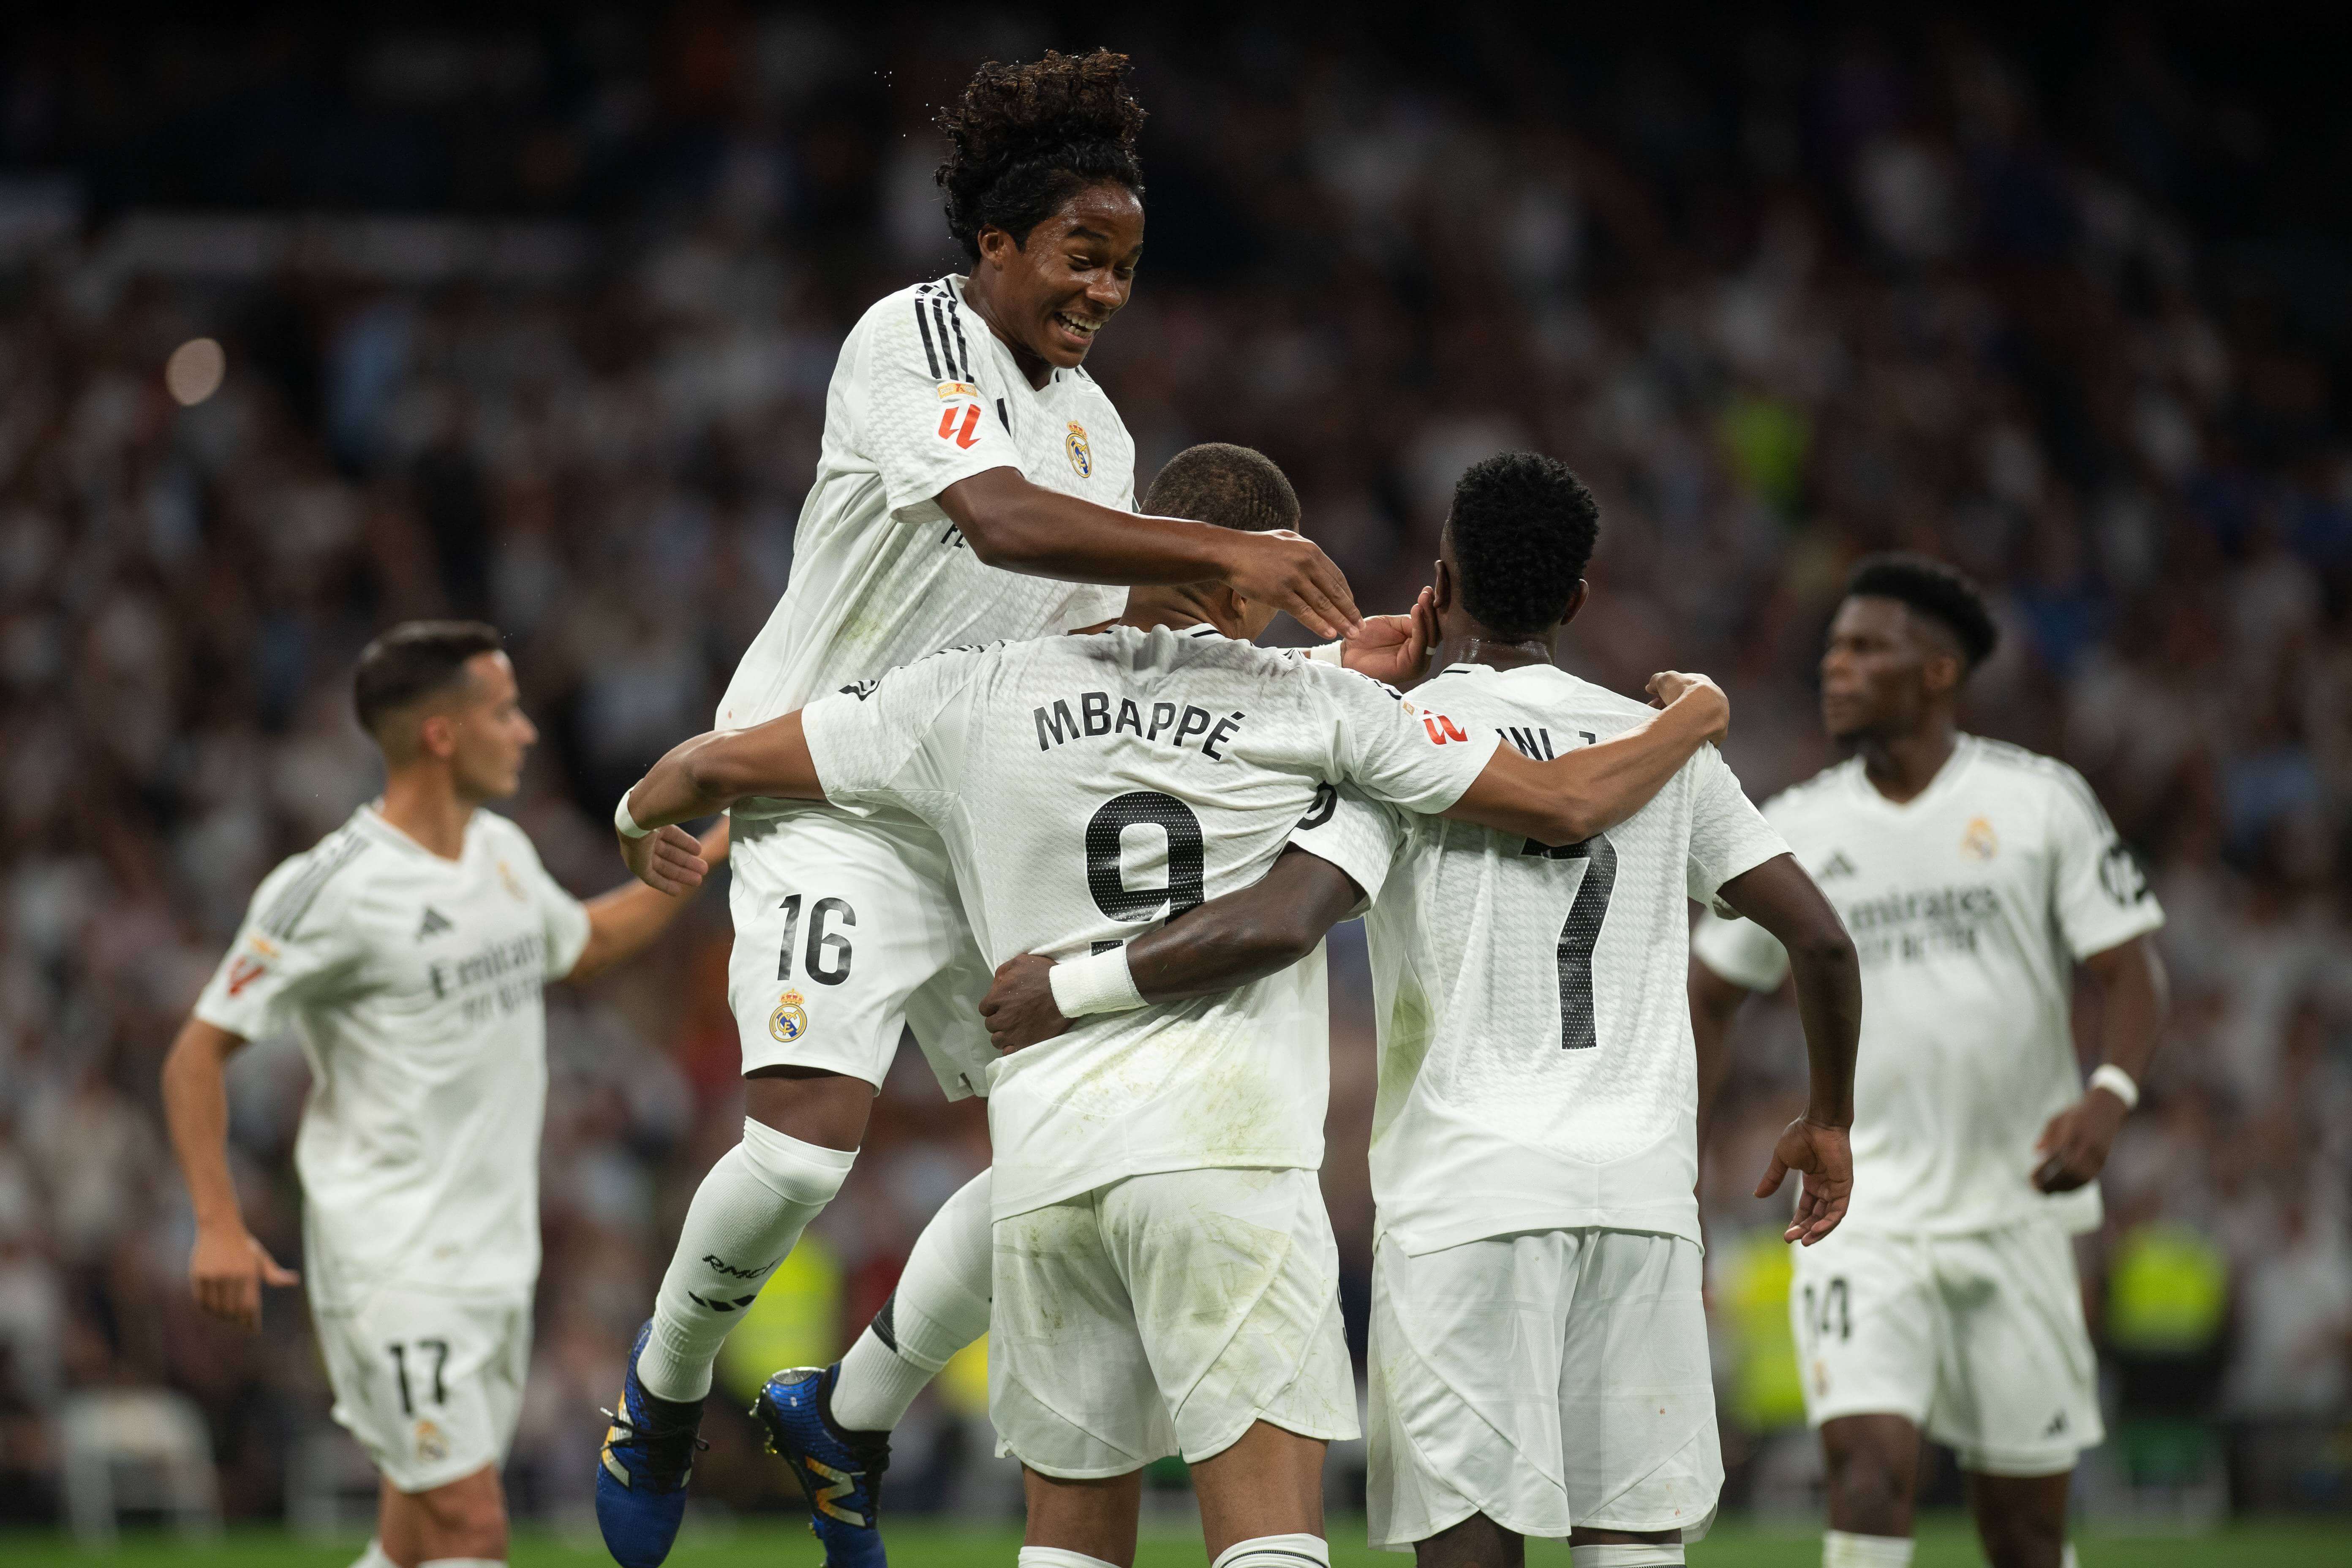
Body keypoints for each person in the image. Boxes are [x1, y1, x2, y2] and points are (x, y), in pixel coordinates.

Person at [590, 51, 1429, 1568]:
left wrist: (1327, 662)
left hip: (978, 803)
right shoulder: (903, 340)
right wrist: (1207, 551)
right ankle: (656, 1395)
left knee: (1056, 1153)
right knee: (800, 1151)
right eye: (1078, 255)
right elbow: (992, 518)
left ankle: (844, 1411)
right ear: (994, 246)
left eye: (1123, 266)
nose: (1103, 289)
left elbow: (1123, 629)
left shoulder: (1100, 435)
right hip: (825, 787)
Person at [607, 446, 1733, 1568]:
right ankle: (856, 1407)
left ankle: (829, 1407)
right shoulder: (1313, 703)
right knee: (1269, 1539)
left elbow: (707, 769)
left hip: (1047, 1176)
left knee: (1072, 1548)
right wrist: (1689, 721)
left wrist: (635, 817)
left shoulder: (967, 690)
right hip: (1225, 1161)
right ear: (1247, 588)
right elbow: (1564, 802)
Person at [978, 452, 1862, 1568]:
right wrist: (1828, 1116)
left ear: (1439, 583)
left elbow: (1283, 920)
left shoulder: (1406, 739)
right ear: (1579, 600)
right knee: (1635, 1549)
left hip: (1465, 1204)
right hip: (1640, 1203)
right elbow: (1823, 939)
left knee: (1466, 1550)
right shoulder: (1659, 749)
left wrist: (1074, 986)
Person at [160, 621, 725, 1568]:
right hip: (392, 1256)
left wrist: (722, 844)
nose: (528, 732)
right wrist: (216, 1220)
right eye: (504, 710)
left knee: (416, 1537)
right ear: (441, 734)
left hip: (495, 1255)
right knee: (472, 1525)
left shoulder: (502, 850)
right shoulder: (333, 887)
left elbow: (583, 941)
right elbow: (195, 1052)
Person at [1688, 555, 2171, 1568]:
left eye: (1867, 648)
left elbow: (2131, 970)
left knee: (2027, 1530)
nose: (1838, 667)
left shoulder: (2040, 802)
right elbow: (1712, 987)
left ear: (1940, 670)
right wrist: (1678, 1151)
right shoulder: (1801, 821)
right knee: (1866, 1473)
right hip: (1862, 1205)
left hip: (2018, 1205)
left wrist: (2110, 1095)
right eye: (1833, 650)